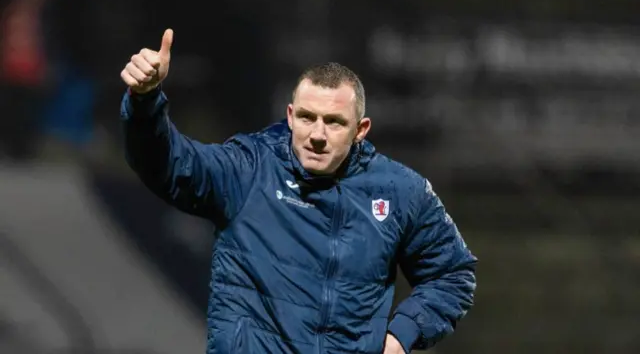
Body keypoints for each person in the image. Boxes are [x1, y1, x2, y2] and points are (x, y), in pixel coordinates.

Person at [119, 29, 477, 354]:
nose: (317, 135)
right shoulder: (250, 168)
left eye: (334, 122)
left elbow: (453, 273)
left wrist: (402, 335)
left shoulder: (399, 191)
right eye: (307, 117)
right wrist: (145, 100)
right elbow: (168, 164)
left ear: (361, 129)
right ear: (290, 115)